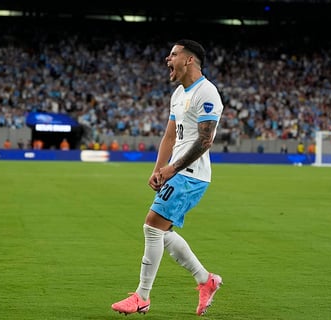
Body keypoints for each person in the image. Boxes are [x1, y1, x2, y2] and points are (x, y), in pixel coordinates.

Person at [111, 39, 224, 316]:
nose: (167, 59)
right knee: (162, 232)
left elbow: (205, 140)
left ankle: (142, 296)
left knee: (152, 227)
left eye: (173, 54)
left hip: (191, 174)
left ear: (189, 60)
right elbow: (170, 135)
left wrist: (172, 169)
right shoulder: (178, 94)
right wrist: (157, 168)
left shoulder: (206, 93)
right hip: (177, 172)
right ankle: (205, 280)